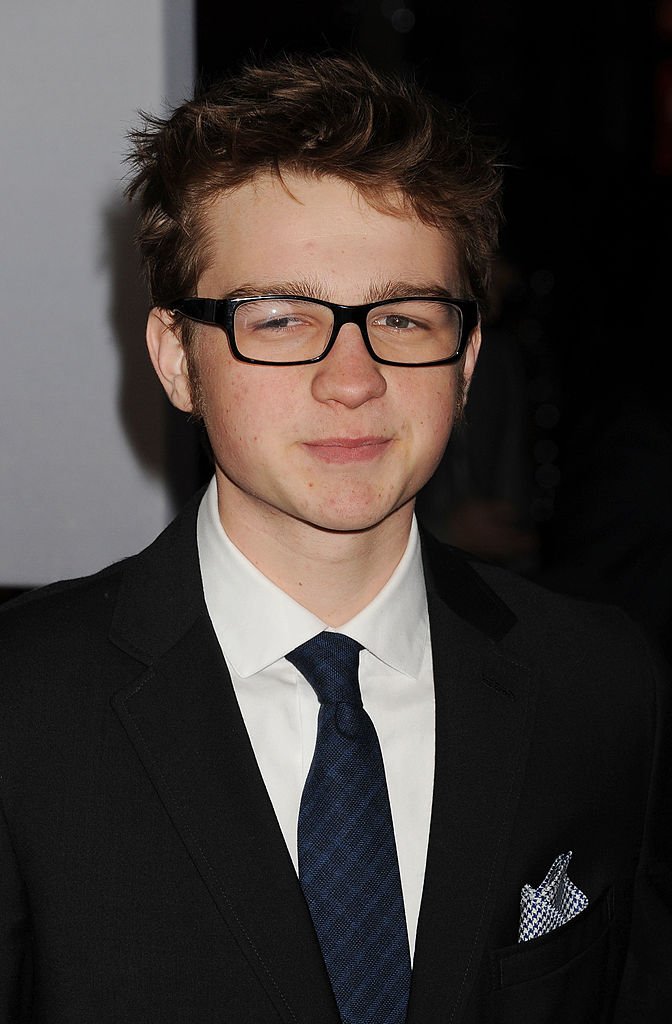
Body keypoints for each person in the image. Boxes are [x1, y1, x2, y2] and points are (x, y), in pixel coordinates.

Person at [0, 52, 669, 1024]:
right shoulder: (20, 712)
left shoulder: (600, 686)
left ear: (468, 357)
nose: (351, 377)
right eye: (277, 319)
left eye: (402, 316)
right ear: (176, 358)